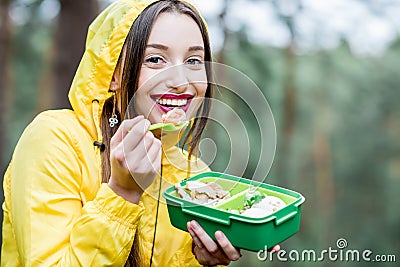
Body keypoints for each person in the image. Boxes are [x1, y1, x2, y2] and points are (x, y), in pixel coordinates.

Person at [1, 0, 280, 266]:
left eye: (194, 61)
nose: (181, 82)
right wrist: (122, 192)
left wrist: (202, 260)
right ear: (113, 74)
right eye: (156, 59)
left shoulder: (193, 174)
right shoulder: (54, 140)